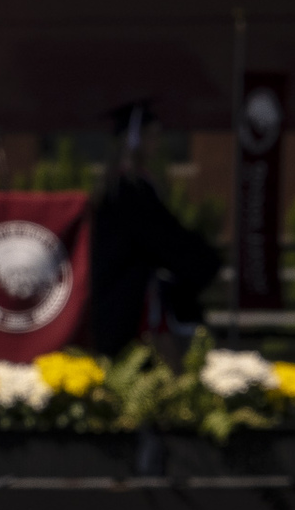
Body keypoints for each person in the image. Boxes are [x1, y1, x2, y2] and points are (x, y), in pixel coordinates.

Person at [83, 101, 219, 355]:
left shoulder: (125, 185)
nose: (157, 144)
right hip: (125, 294)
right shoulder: (126, 189)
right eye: (152, 136)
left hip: (132, 288)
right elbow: (161, 236)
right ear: (135, 140)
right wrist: (202, 259)